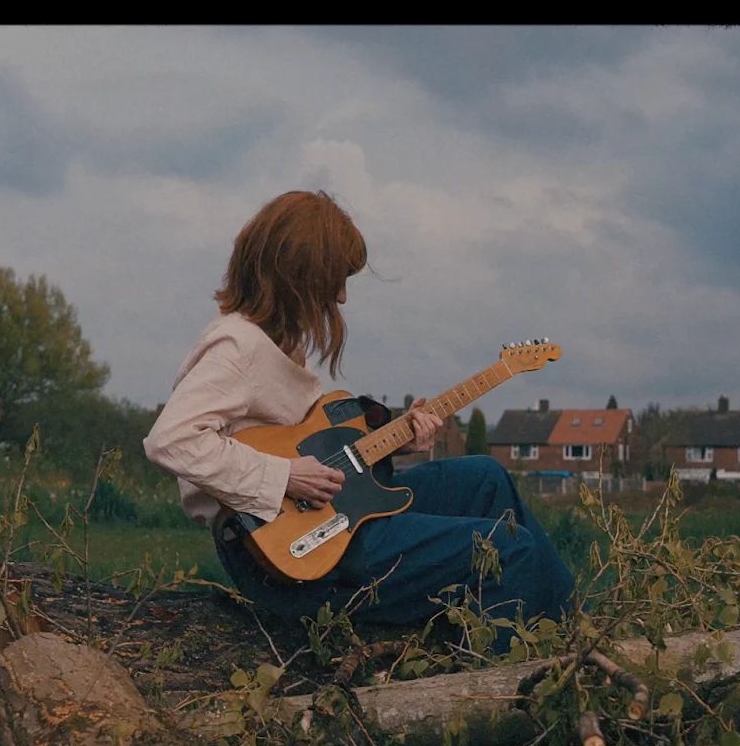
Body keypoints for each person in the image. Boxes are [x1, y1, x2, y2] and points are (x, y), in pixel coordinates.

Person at [142, 190, 576, 653]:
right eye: (336, 280)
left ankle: (578, 631)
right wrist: (284, 476)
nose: (343, 297)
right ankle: (514, 680)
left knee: (487, 479)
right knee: (508, 551)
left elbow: (310, 445)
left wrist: (395, 440)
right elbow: (170, 441)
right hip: (291, 558)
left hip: (334, 516)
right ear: (298, 277)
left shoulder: (278, 342)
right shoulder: (237, 347)